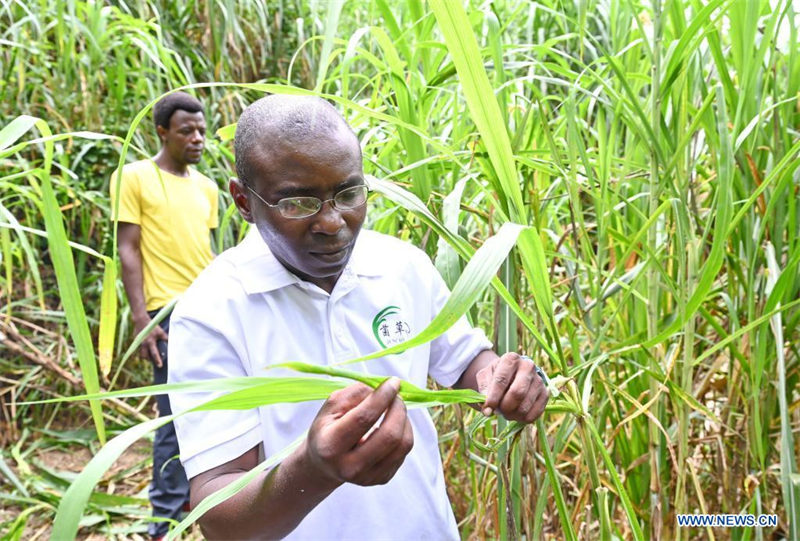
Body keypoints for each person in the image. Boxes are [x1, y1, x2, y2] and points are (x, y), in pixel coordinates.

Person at [167, 94, 548, 540]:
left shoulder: (402, 266)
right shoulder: (212, 311)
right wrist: (313, 470)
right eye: (297, 203)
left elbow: (466, 362)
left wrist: (506, 379)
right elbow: (218, 515)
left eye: (348, 194)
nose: (332, 222)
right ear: (243, 202)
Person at [110, 91, 218, 540]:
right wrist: (142, 320)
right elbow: (128, 249)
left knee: (216, 412)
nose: (197, 139)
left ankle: (206, 506)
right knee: (173, 420)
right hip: (166, 314)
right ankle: (166, 526)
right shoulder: (134, 177)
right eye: (185, 131)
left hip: (210, 309)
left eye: (201, 131)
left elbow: (208, 251)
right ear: (162, 133)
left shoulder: (207, 187)